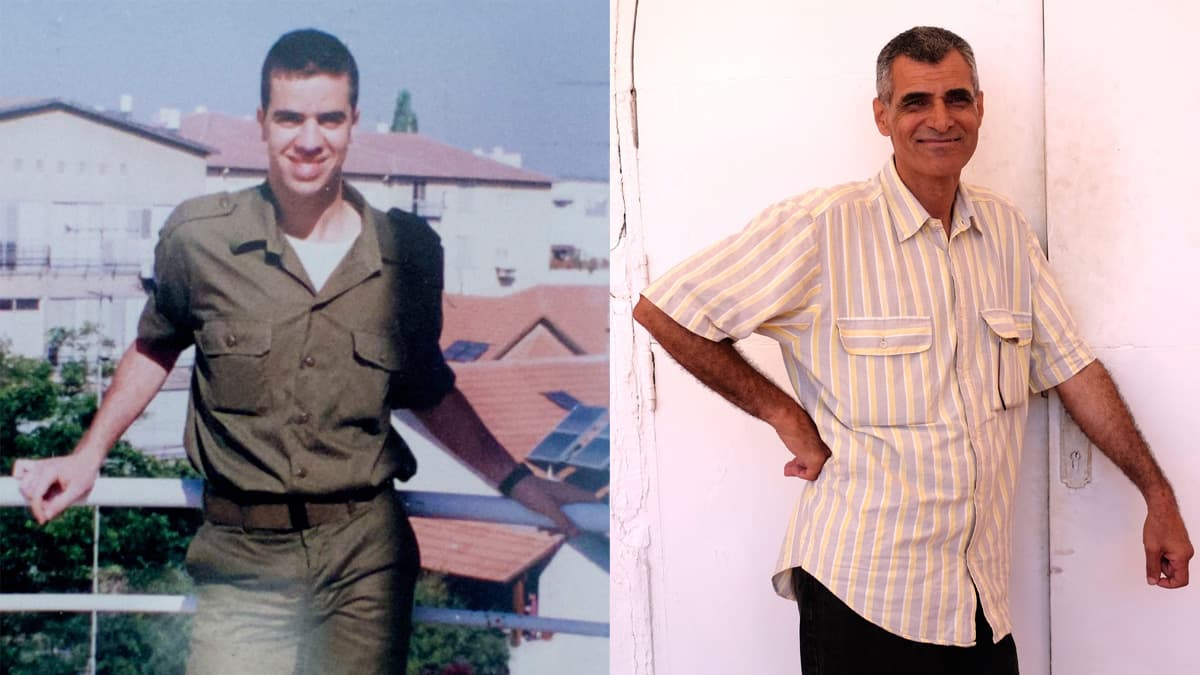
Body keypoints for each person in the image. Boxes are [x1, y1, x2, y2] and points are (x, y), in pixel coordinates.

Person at [11, 28, 587, 675]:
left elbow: (427, 385)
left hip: (363, 557)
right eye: (289, 117)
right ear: (262, 122)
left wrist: (516, 480)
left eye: (328, 118)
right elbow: (155, 345)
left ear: (352, 124)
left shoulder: (408, 252)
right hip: (241, 558)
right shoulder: (200, 239)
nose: (308, 140)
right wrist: (88, 455)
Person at [632, 25, 1192, 674]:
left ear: (980, 107)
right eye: (915, 102)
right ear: (882, 116)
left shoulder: (1007, 233)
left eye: (957, 98)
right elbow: (667, 309)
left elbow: (1073, 368)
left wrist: (1158, 494)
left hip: (980, 606)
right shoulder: (822, 228)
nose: (940, 119)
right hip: (863, 596)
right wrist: (787, 416)